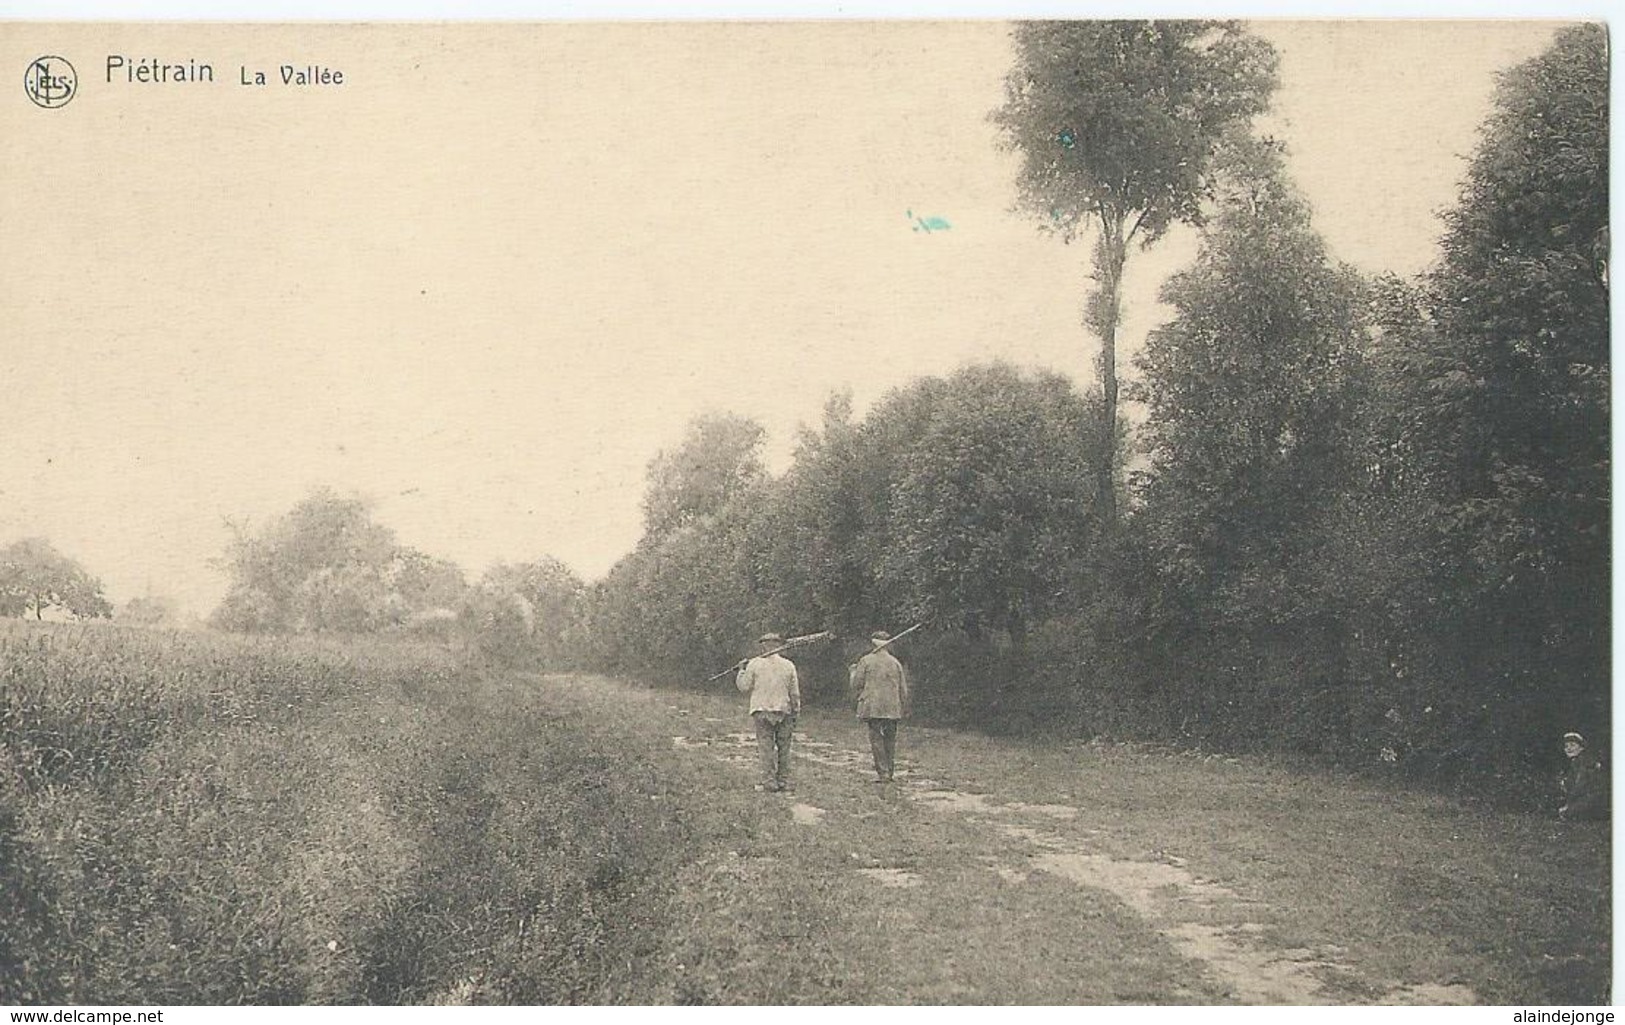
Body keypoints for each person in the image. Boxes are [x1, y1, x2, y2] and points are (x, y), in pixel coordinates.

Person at [735, 632, 801, 792]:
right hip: (783, 710)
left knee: (766, 747)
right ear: (779, 645)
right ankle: (783, 782)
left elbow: (743, 687)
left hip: (761, 710)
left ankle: (769, 782)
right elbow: (794, 693)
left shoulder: (754, 664)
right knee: (784, 748)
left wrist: (741, 670)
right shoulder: (788, 665)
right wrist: (796, 710)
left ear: (763, 645)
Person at [850, 630, 910, 782]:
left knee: (876, 739)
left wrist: (852, 671)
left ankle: (883, 773)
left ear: (873, 643)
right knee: (890, 739)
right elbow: (903, 689)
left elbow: (856, 684)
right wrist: (902, 706)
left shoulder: (866, 661)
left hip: (873, 707)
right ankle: (889, 772)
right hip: (892, 707)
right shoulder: (895, 663)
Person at [1559, 731, 1607, 821]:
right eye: (1566, 746)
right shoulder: (1576, 762)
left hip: (1593, 804)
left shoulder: (1587, 762)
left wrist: (1569, 807)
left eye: (1572, 745)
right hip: (1585, 801)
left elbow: (1582, 786)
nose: (1569, 749)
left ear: (1581, 748)